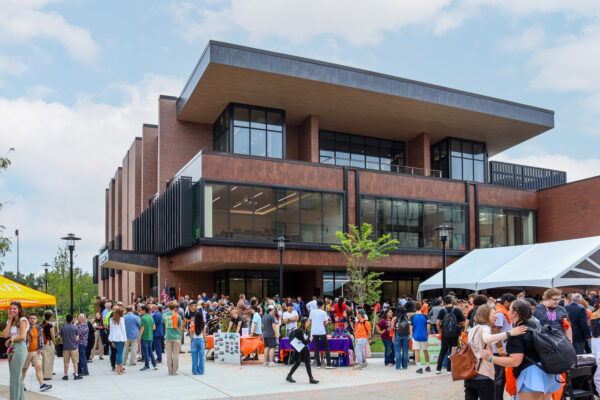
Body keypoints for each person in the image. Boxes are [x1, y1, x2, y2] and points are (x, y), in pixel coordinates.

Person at [483, 300, 562, 399]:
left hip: (532, 376)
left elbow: (515, 361)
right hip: (549, 372)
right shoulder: (536, 324)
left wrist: (490, 358)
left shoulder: (516, 333)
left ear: (515, 313)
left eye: (510, 310)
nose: (508, 312)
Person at [467, 305, 527, 399]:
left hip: (470, 373)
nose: (496, 316)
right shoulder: (485, 328)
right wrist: (509, 333)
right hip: (483, 374)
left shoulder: (473, 329)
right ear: (486, 315)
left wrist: (500, 349)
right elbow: (487, 339)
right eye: (494, 314)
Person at [491, 293, 516, 400]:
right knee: (500, 378)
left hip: (502, 349)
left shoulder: (502, 311)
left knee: (502, 377)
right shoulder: (500, 313)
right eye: (511, 305)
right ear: (506, 302)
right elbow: (495, 331)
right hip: (500, 351)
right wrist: (500, 348)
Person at [3, 301, 29, 400]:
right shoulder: (10, 321)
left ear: (19, 309)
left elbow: (22, 336)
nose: (12, 310)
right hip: (12, 348)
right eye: (11, 309)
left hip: (19, 348)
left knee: (15, 379)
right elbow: (5, 335)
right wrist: (9, 321)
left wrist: (11, 339)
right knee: (17, 378)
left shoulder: (22, 320)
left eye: (14, 308)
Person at [22, 313, 52, 393]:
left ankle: (42, 385)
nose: (32, 319)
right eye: (31, 318)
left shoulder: (39, 328)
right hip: (26, 352)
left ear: (37, 319)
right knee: (24, 369)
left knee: (39, 367)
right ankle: (20, 384)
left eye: (34, 318)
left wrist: (42, 348)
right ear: (29, 319)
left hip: (36, 351)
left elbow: (41, 338)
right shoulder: (25, 328)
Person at [436, 295, 465, 374]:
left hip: (445, 333)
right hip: (455, 334)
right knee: (453, 351)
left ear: (444, 302)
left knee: (443, 350)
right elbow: (463, 321)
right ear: (452, 302)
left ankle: (438, 369)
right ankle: (449, 369)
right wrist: (458, 325)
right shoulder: (457, 310)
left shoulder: (442, 311)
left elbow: (438, 323)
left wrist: (440, 331)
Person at [286, 318, 319, 384]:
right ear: (304, 323)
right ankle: (289, 375)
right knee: (297, 363)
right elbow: (303, 342)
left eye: (309, 321)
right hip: (299, 350)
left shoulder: (307, 331)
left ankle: (311, 378)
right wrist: (308, 340)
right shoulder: (299, 331)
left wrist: (305, 341)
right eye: (308, 321)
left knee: (307, 363)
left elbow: (303, 342)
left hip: (305, 349)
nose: (309, 323)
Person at [307, 300, 334, 369]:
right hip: (321, 331)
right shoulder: (323, 313)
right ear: (322, 305)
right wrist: (327, 322)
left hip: (314, 331)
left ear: (316, 305)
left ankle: (318, 364)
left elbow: (309, 321)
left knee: (316, 348)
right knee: (326, 347)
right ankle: (328, 364)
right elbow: (325, 323)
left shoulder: (312, 312)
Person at [59, 314, 82, 381]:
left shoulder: (62, 327)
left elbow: (60, 338)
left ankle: (65, 375)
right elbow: (77, 338)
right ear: (72, 320)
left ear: (66, 319)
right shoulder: (75, 327)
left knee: (66, 362)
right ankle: (76, 375)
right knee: (75, 362)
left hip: (65, 347)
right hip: (74, 347)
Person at [162, 301, 183, 375]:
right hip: (176, 336)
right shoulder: (178, 316)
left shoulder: (164, 315)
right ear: (175, 307)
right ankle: (174, 371)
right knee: (175, 355)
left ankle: (169, 371)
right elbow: (180, 328)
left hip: (168, 336)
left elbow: (164, 323)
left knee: (168, 355)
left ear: (168, 307)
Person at [410, 302, 430, 374]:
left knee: (417, 351)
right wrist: (427, 334)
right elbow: (428, 326)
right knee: (425, 351)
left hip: (416, 335)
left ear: (414, 308)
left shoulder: (412, 317)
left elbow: (411, 327)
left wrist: (411, 335)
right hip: (424, 335)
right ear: (421, 307)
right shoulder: (426, 316)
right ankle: (427, 366)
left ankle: (420, 367)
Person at [138, 305, 157, 371]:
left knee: (145, 352)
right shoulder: (151, 317)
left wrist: (139, 337)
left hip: (144, 337)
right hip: (150, 336)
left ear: (144, 310)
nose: (140, 311)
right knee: (150, 351)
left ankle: (147, 365)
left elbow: (142, 328)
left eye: (141, 310)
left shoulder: (143, 318)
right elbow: (154, 327)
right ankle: (154, 365)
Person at [108, 307, 127, 375]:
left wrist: (111, 339)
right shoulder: (122, 319)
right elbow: (123, 330)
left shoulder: (111, 319)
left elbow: (111, 329)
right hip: (120, 337)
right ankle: (118, 368)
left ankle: (120, 368)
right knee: (120, 354)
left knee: (116, 353)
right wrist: (125, 339)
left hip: (113, 337)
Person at [190, 309, 206, 375]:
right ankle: (201, 371)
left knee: (194, 356)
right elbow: (204, 334)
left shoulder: (192, 325)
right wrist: (205, 340)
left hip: (194, 340)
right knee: (202, 356)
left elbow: (191, 333)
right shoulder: (203, 325)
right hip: (201, 340)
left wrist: (191, 340)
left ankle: (195, 371)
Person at [40, 310, 55, 381]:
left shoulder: (42, 325)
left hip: (42, 343)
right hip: (49, 343)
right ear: (50, 317)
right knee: (49, 359)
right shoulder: (50, 326)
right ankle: (47, 375)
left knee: (43, 359)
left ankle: (42, 374)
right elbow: (52, 336)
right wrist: (55, 342)